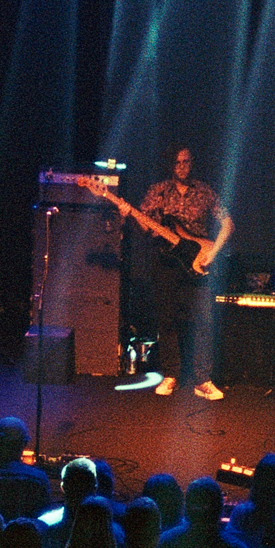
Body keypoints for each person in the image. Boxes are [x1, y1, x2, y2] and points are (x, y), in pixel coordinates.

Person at [112, 146, 232, 401]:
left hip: (197, 260)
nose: (182, 166)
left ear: (192, 163)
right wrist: (128, 214)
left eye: (186, 162)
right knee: (167, 320)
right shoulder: (159, 191)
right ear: (172, 165)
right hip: (165, 263)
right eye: (177, 162)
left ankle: (203, 380)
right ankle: (171, 375)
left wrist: (214, 252)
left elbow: (228, 224)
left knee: (203, 320)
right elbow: (145, 224)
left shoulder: (204, 192)